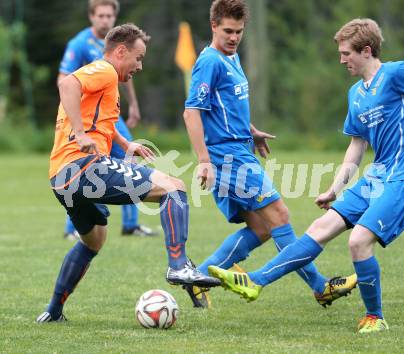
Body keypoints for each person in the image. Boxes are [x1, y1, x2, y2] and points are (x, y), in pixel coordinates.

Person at [208, 18, 404, 333]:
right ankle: (254, 281)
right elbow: (356, 146)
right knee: (319, 228)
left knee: (358, 241)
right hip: (378, 176)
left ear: (367, 50)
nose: (342, 59)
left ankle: (375, 317)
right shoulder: (356, 93)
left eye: (347, 53)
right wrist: (335, 188)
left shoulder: (397, 73)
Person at [36, 23, 220, 323]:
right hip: (83, 167)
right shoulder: (106, 70)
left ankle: (53, 311)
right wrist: (81, 135)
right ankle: (178, 265)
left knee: (94, 240)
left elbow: (99, 118)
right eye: (138, 57)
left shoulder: (107, 83)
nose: (140, 65)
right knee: (173, 186)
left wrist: (124, 143)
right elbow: (67, 84)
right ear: (120, 51)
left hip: (61, 177)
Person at [182, 0, 356, 309]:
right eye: (227, 31)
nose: (234, 37)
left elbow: (225, 109)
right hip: (228, 157)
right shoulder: (209, 61)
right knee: (280, 216)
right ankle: (320, 287)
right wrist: (205, 161)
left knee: (262, 228)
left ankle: (196, 279)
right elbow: (192, 113)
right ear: (213, 26)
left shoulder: (231, 57)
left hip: (238, 148)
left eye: (239, 31)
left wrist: (251, 131)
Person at [59, 0, 156, 240]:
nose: (105, 20)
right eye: (100, 15)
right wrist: (74, 122)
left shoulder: (119, 47)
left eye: (109, 16)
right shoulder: (80, 44)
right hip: (89, 118)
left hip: (110, 114)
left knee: (128, 156)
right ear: (92, 17)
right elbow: (65, 79)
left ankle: (131, 224)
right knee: (81, 165)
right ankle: (74, 229)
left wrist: (132, 103)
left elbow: (124, 75)